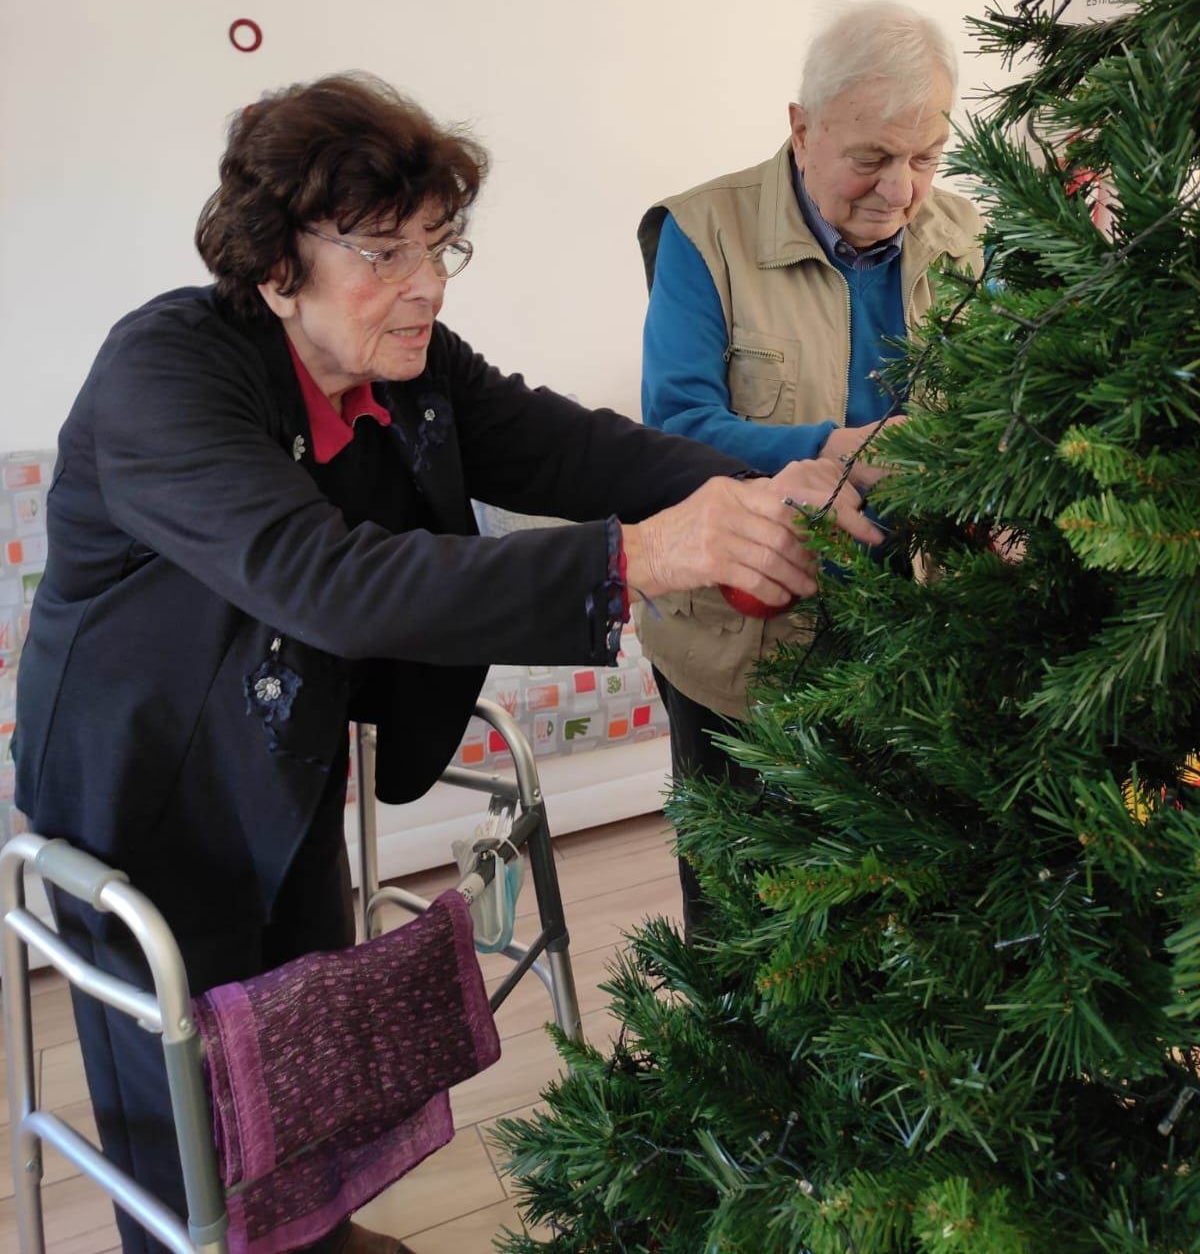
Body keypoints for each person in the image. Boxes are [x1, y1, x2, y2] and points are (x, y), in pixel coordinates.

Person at [14, 73, 881, 1254]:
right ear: (276, 264)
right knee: (187, 1113)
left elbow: (571, 448)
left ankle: (311, 1234)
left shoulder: (408, 363)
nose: (425, 282)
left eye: (439, 244)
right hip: (145, 792)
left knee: (302, 1047)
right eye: (384, 250)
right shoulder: (162, 374)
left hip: (288, 758)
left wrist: (766, 478)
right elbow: (326, 577)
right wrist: (635, 562)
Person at [637, 0, 984, 935]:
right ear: (800, 128)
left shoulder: (965, 238)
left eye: (927, 157)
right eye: (871, 158)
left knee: (894, 910)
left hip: (913, 633)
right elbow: (674, 426)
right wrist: (827, 448)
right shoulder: (700, 233)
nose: (902, 191)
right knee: (746, 921)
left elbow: (1000, 410)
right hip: (744, 649)